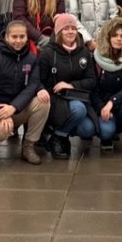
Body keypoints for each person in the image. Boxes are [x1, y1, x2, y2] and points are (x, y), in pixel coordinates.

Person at [0, 19, 51, 165]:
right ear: (6, 37)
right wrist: (0, 112)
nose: (18, 41)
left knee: (43, 102)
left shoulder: (32, 58)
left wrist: (13, 107)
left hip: (16, 108)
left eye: (22, 37)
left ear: (27, 37)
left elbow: (32, 85)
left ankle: (28, 146)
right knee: (0, 132)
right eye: (14, 37)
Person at [33, 13, 95, 159]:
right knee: (78, 109)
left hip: (77, 96)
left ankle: (59, 135)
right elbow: (38, 80)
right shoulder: (48, 53)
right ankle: (59, 137)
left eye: (73, 28)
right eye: (66, 28)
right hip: (55, 99)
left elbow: (92, 80)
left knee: (88, 129)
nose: (70, 32)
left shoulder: (84, 52)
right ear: (58, 31)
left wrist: (70, 85)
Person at [88, 17, 122, 156]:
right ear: (108, 37)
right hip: (103, 108)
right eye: (115, 35)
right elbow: (92, 88)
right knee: (106, 132)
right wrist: (102, 108)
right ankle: (107, 136)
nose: (119, 39)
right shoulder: (95, 59)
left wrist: (112, 102)